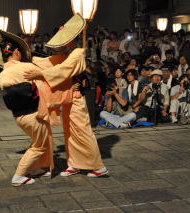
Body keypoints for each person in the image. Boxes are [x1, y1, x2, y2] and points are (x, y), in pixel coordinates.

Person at [24, 14, 108, 178]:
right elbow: (50, 61)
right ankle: (75, 163)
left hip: (76, 97)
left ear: (71, 41)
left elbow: (61, 71)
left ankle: (98, 166)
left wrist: (40, 72)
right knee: (69, 132)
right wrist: (31, 60)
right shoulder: (66, 54)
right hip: (68, 97)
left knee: (82, 131)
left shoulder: (77, 53)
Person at [0, 29, 56, 186]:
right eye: (19, 51)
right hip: (33, 113)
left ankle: (38, 167)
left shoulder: (2, 75)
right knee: (39, 145)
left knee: (38, 141)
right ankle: (19, 176)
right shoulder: (25, 67)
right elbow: (49, 73)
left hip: (18, 116)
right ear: (17, 52)